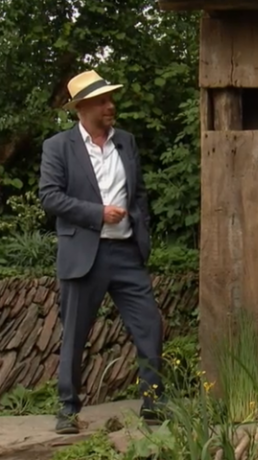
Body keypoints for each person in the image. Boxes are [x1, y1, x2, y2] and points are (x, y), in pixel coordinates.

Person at [39, 70, 166, 434]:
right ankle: (67, 410)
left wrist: (142, 235)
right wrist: (97, 213)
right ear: (82, 107)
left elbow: (138, 193)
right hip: (83, 255)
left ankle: (154, 403)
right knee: (75, 334)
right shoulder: (58, 147)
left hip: (126, 252)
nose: (111, 106)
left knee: (150, 327)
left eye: (111, 99)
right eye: (103, 101)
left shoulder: (126, 141)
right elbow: (49, 196)